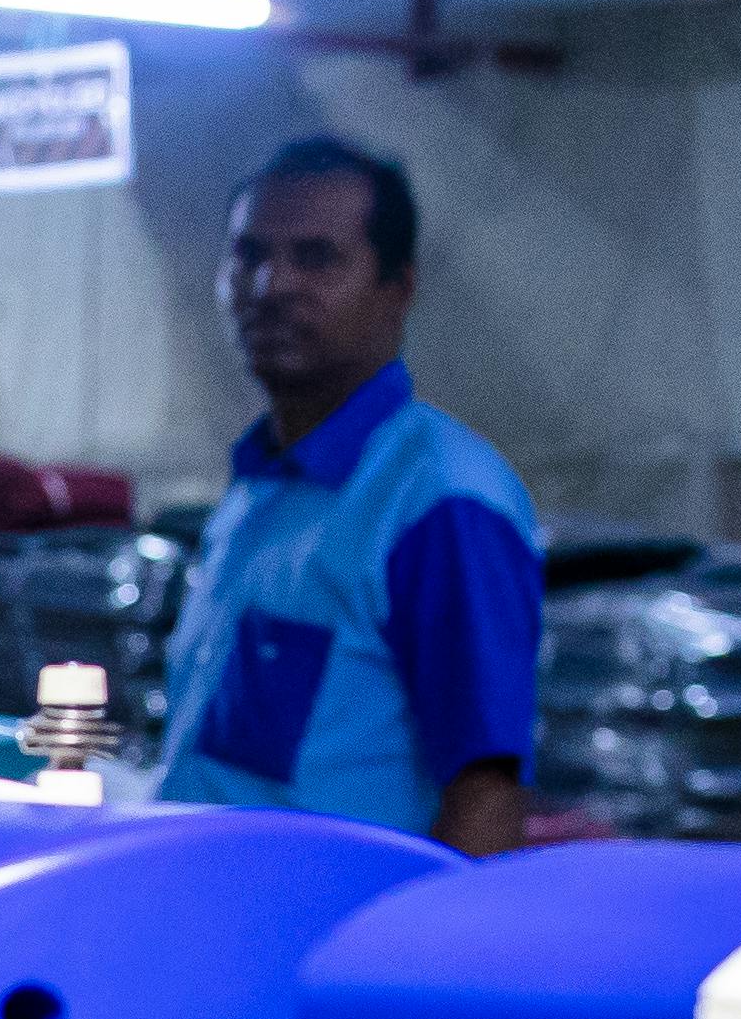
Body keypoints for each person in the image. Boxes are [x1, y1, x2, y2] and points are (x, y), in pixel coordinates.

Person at [158, 136, 540, 854]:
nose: (271, 286)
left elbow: (486, 799)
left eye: (316, 258)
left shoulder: (440, 503)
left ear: (398, 288)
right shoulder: (257, 492)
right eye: (249, 255)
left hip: (330, 922)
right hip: (205, 908)